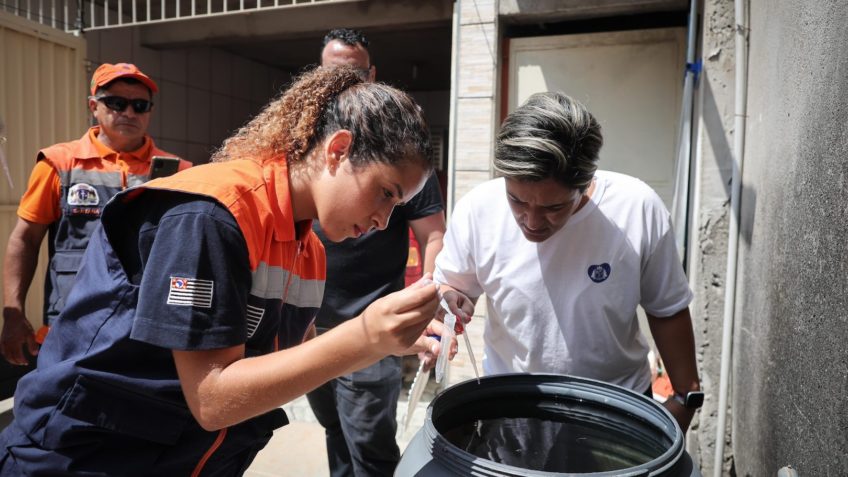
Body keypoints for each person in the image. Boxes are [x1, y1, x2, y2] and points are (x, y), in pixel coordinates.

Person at [0, 65, 449, 476]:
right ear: (339, 150)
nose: (384, 221)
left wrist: (388, 340)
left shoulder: (307, 249)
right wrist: (365, 337)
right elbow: (212, 399)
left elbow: (297, 357)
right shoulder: (212, 216)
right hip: (81, 457)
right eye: (386, 193)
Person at [435, 92, 703, 433]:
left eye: (553, 208)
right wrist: (451, 302)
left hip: (617, 409)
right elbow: (452, 286)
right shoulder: (478, 210)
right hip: (511, 408)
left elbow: (667, 308)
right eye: (517, 201)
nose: (532, 222)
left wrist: (685, 397)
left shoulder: (636, 209)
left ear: (585, 183)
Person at [306, 28, 447, 477]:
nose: (344, 84)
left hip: (371, 327)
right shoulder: (303, 142)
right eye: (333, 74)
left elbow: (433, 235)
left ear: (372, 75)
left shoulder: (398, 151)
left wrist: (428, 306)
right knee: (334, 431)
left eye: (354, 74)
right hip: (310, 325)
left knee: (370, 446)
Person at [1, 63, 191, 366]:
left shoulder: (179, 171)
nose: (129, 112)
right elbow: (25, 239)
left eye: (139, 105)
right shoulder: (58, 163)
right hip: (73, 324)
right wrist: (13, 313)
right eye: (117, 103)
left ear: (150, 111)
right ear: (93, 107)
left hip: (146, 328)